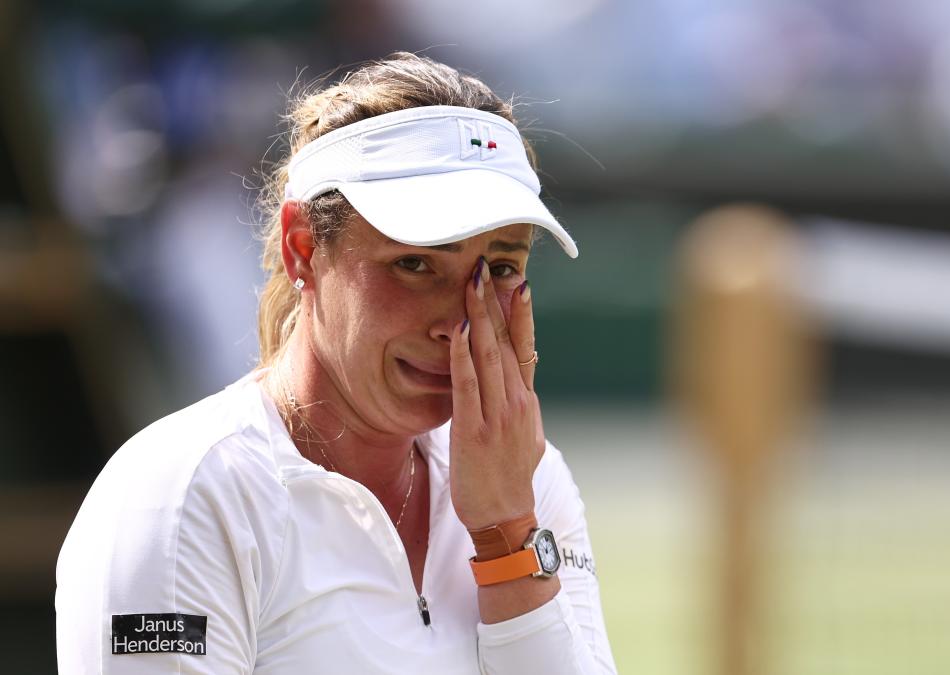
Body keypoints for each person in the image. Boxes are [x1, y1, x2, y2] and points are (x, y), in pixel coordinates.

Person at [55, 52, 618, 674]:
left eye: (502, 268)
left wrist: (508, 536)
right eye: (415, 263)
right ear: (303, 249)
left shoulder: (528, 481)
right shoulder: (180, 498)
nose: (458, 322)